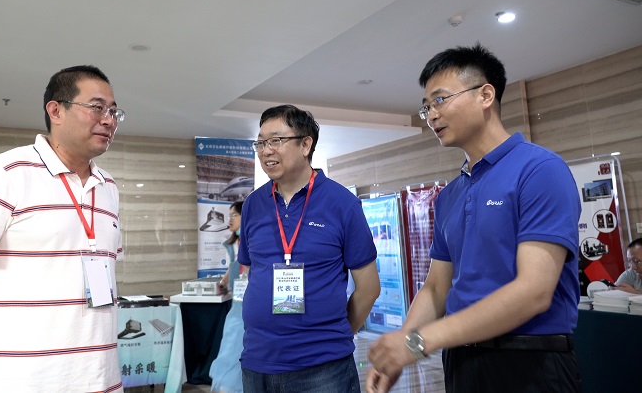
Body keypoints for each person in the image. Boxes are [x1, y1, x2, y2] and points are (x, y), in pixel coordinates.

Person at [367, 44, 582, 393]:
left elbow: (534, 292)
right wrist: (402, 347)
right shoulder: (450, 194)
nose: (431, 115)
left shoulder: (540, 170)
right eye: (426, 107)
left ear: (485, 95)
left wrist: (420, 341)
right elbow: (437, 287)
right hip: (462, 360)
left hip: (530, 360)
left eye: (440, 100)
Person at [0, 65, 125, 392]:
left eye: (113, 111)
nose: (108, 120)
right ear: (56, 110)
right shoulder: (5, 172)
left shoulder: (108, 186)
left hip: (101, 376)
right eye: (97, 107)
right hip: (22, 379)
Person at [238, 104, 381, 392]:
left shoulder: (342, 203)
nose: (266, 151)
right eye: (261, 143)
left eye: (276, 140)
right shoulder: (253, 204)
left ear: (305, 144)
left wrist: (335, 337)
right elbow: (252, 273)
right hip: (257, 362)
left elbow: (369, 288)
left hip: (323, 368)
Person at [210, 200, 247, 393]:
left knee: (238, 343)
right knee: (231, 342)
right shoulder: (234, 243)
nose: (230, 219)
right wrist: (223, 283)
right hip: (237, 301)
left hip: (250, 301)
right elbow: (234, 267)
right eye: (229, 215)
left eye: (235, 215)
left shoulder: (254, 240)